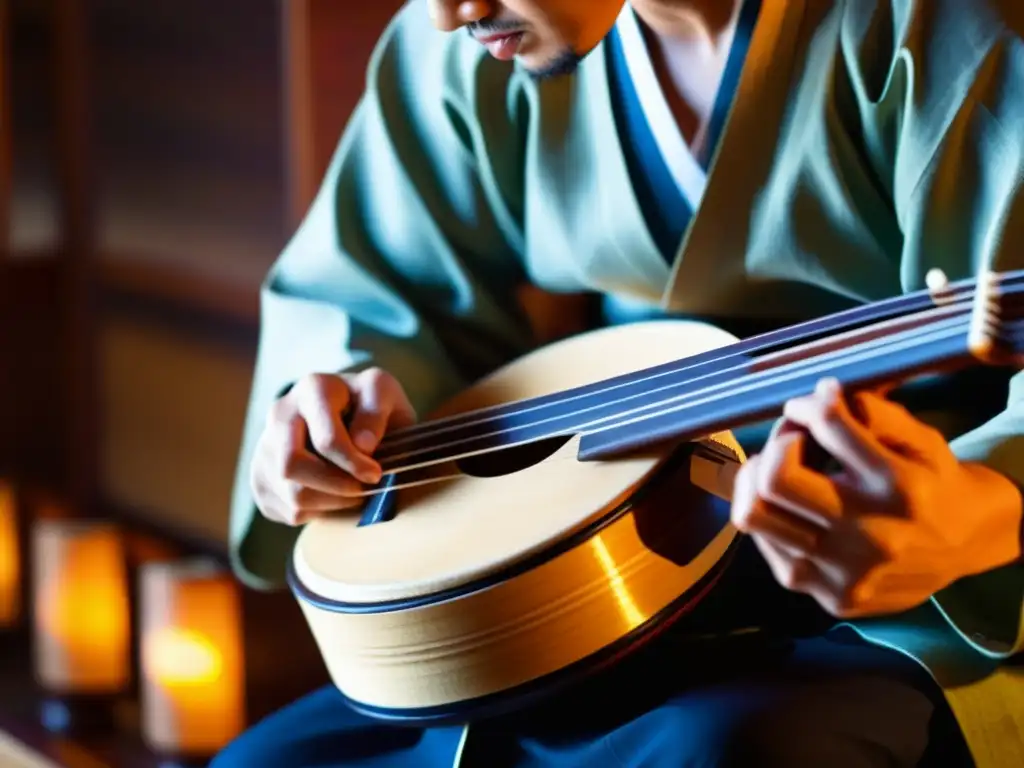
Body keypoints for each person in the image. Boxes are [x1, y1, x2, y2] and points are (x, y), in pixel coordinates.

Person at [215, 0, 1024, 765]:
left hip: (897, 607)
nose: (446, 12)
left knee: (722, 753)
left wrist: (979, 516)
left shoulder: (946, 32)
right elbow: (369, 297)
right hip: (577, 584)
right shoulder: (463, 47)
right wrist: (328, 419)